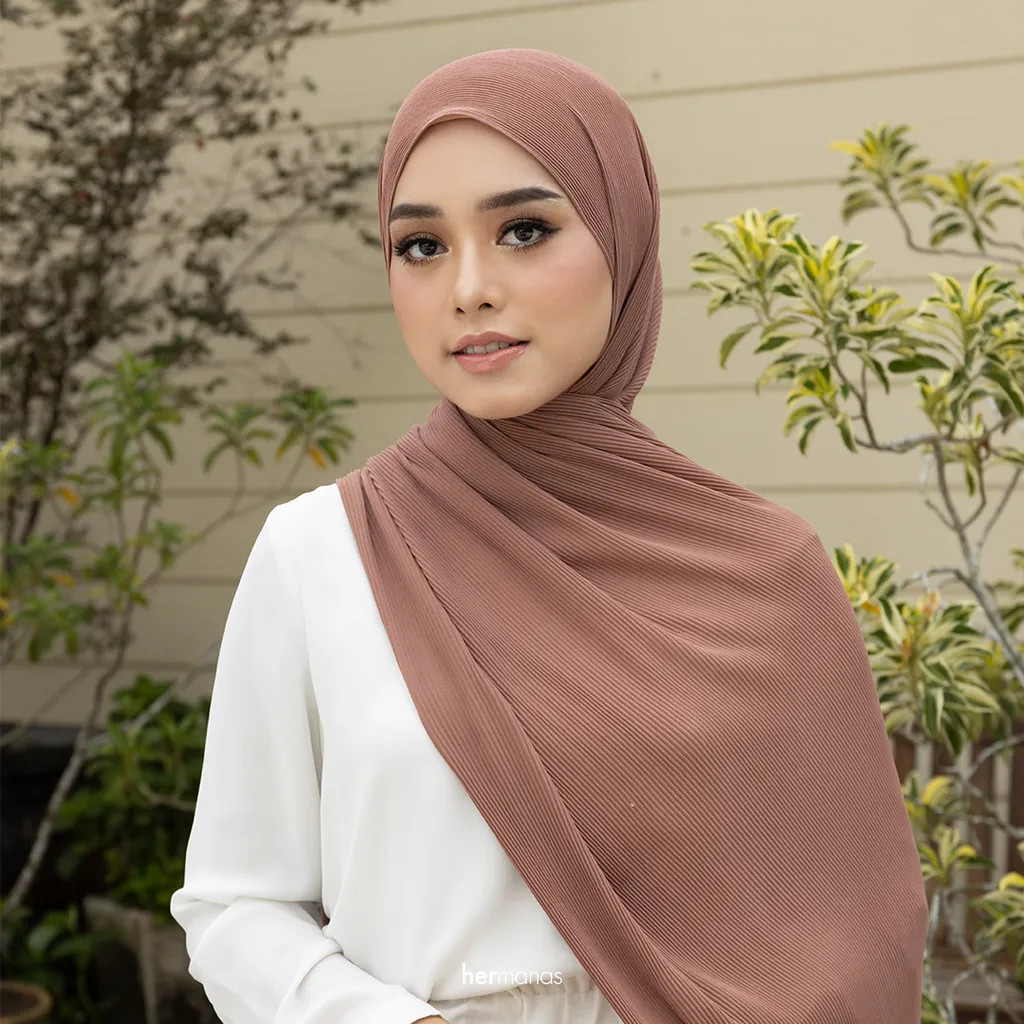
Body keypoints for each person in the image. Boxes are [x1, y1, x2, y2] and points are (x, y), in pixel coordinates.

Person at [170, 48, 929, 1024]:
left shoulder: (763, 572)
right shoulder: (319, 555)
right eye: (421, 245)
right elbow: (235, 906)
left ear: (622, 236)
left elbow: (854, 932)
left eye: (524, 230)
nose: (469, 287)